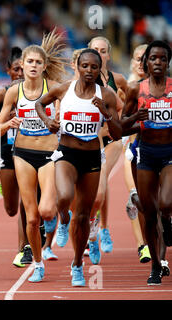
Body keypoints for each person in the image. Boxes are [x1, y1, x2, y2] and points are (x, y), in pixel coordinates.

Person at [35, 48, 121, 286]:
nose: (90, 71)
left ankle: (76, 265)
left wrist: (107, 114)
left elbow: (118, 133)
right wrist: (48, 121)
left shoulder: (107, 95)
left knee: (83, 217)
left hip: (92, 156)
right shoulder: (65, 89)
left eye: (94, 67)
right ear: (78, 67)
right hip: (67, 152)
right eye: (85, 66)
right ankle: (63, 219)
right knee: (64, 197)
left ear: (99, 70)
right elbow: (39, 104)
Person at [0, 30, 68, 282]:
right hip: (22, 155)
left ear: (44, 66)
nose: (33, 66)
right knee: (31, 215)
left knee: (47, 210)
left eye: (38, 62)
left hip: (48, 154)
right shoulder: (14, 93)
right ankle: (37, 263)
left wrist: (57, 122)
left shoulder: (54, 89)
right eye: (29, 62)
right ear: (22, 66)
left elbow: (62, 118)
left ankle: (54, 220)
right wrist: (7, 125)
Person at [121, 40, 171, 285]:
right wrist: (134, 118)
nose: (158, 62)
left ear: (168, 62)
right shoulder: (134, 89)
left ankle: (169, 221)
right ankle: (155, 266)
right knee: (149, 214)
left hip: (170, 152)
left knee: (166, 203)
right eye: (154, 59)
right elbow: (120, 127)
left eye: (163, 58)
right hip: (146, 153)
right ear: (146, 63)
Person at [0, 47, 31, 267]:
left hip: (30, 152)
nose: (21, 73)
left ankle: (24, 249)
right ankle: (5, 185)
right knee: (11, 209)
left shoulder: (36, 92)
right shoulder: (2, 94)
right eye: (16, 69)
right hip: (8, 153)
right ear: (8, 70)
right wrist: (3, 121)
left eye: (24, 69)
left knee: (27, 203)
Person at [87, 36, 128, 255]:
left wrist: (116, 123)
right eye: (95, 49)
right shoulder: (79, 79)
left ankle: (102, 229)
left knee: (100, 179)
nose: (99, 54)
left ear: (108, 55)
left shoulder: (117, 79)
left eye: (103, 51)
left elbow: (127, 105)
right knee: (93, 187)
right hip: (88, 140)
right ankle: (92, 228)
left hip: (111, 140)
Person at [123, 44, 151, 264]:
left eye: (145, 58)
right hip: (132, 150)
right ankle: (144, 246)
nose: (140, 62)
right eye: (137, 58)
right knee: (136, 198)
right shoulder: (127, 86)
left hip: (159, 148)